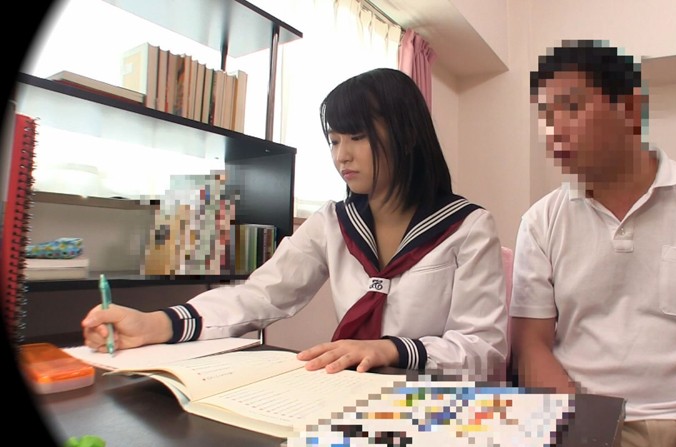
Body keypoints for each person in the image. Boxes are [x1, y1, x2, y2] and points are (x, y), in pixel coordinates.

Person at [81, 68, 508, 380]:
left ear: (407, 134)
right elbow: (261, 295)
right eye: (334, 140)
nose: (341, 156)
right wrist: (157, 324)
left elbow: (483, 350)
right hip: (348, 391)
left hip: (435, 400)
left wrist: (390, 350)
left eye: (357, 137)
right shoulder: (334, 221)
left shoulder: (468, 227)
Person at [510, 40, 676, 447]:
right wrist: (584, 435)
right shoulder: (540, 223)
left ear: (631, 108)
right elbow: (532, 345)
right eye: (545, 116)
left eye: (571, 107)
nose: (553, 130)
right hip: (590, 426)